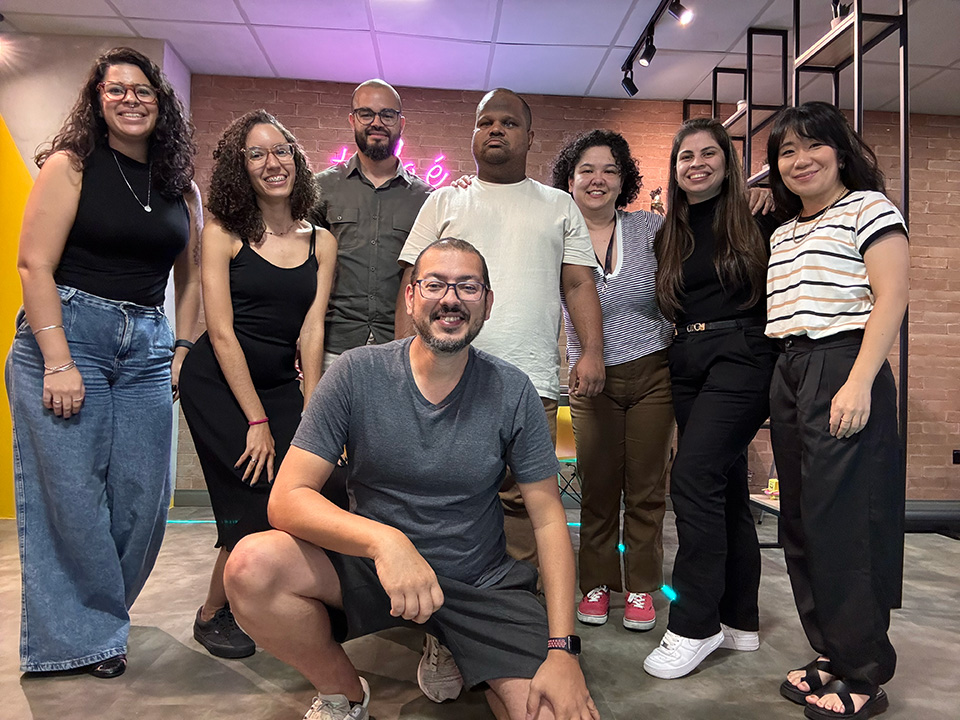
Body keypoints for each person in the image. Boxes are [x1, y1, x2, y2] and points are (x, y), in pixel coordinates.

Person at [222, 238, 600, 720]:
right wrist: (386, 543)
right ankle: (344, 694)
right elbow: (288, 499)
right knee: (252, 566)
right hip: (376, 573)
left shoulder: (512, 389)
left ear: (487, 302)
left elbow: (549, 519)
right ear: (410, 297)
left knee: (552, 713)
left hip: (480, 582)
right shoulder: (357, 373)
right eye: (435, 284)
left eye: (467, 286)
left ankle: (453, 640)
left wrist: (562, 649)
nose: (450, 298)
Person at [395, 88, 604, 703]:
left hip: (531, 383)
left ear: (529, 137)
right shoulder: (445, 199)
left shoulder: (558, 204)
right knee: (442, 508)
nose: (494, 131)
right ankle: (444, 630)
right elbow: (413, 287)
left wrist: (589, 350)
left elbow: (577, 283)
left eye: (509, 122)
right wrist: (403, 369)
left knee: (522, 514)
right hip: (445, 381)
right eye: (484, 121)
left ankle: (513, 625)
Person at [5, 47, 202, 678]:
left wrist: (181, 349)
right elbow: (34, 265)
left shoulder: (180, 186)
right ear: (97, 98)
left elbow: (192, 279)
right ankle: (80, 641)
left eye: (142, 90)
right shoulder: (71, 165)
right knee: (69, 496)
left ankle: (94, 618)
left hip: (146, 340)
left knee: (144, 498)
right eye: (115, 90)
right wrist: (59, 359)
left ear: (160, 101)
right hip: (67, 332)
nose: (130, 99)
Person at [766, 102, 908, 720]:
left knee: (846, 522)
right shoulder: (784, 229)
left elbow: (892, 297)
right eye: (786, 151)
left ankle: (864, 671)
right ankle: (830, 650)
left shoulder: (871, 209)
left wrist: (859, 383)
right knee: (799, 517)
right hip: (791, 367)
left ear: (841, 150)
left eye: (812, 145)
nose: (799, 160)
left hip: (845, 362)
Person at [178, 110, 335, 658]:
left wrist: (315, 413)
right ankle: (214, 614)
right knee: (254, 498)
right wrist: (258, 421)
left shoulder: (321, 241)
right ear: (240, 169)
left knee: (309, 491)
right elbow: (219, 333)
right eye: (257, 154)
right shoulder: (223, 231)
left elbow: (312, 330)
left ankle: (291, 595)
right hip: (220, 382)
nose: (273, 163)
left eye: (281, 150)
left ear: (296, 158)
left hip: (278, 382)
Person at [642, 117, 780, 680]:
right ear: (675, 170)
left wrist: (779, 186)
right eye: (685, 157)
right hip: (687, 359)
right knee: (720, 490)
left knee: (694, 477)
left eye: (708, 154)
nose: (696, 164)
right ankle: (739, 618)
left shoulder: (759, 220)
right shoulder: (668, 231)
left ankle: (694, 624)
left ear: (728, 162)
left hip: (743, 353)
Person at [550, 130, 674, 632]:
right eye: (587, 170)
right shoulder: (555, 232)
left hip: (653, 373)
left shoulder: (650, 228)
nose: (597, 179)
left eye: (610, 169)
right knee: (598, 489)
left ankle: (642, 588)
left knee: (646, 490)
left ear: (624, 180)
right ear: (570, 179)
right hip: (589, 380)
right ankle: (596, 585)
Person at [310, 79, 431, 371]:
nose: (377, 122)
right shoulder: (320, 189)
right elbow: (300, 267)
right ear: (352, 119)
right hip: (332, 348)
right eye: (366, 114)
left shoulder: (427, 198)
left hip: (401, 349)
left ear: (401, 123)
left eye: (387, 115)